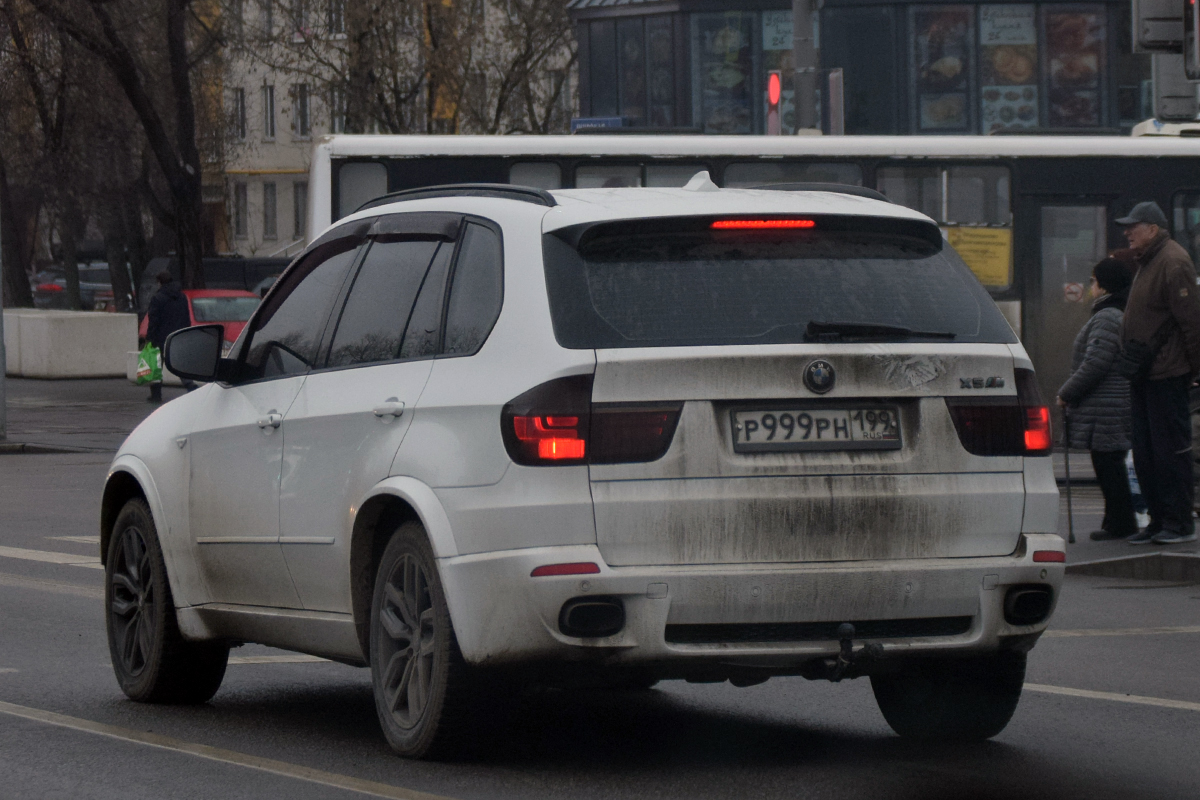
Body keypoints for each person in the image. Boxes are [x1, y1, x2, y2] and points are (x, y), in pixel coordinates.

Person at [1118, 201, 1200, 544]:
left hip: (1167, 373)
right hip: (1147, 373)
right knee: (1146, 451)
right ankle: (1156, 520)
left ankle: (1179, 522)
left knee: (1170, 452)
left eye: (1133, 226)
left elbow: (1192, 322)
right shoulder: (1151, 260)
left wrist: (1194, 371)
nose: (1127, 232)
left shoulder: (1173, 261)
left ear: (1152, 228)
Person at [1057, 258, 1137, 540]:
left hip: (1107, 405)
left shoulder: (1106, 316)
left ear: (1104, 285)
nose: (1091, 286)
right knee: (1109, 464)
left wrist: (1067, 392)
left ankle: (1121, 524)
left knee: (1108, 466)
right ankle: (1115, 521)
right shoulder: (1115, 313)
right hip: (1110, 404)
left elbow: (1096, 363)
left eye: (1093, 281)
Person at [144, 270, 192, 403]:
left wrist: (150, 338)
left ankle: (156, 394)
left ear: (159, 282)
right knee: (180, 363)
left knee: (157, 365)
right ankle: (190, 386)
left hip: (161, 337)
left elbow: (154, 320)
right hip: (178, 336)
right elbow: (186, 317)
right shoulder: (181, 296)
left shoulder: (158, 298)